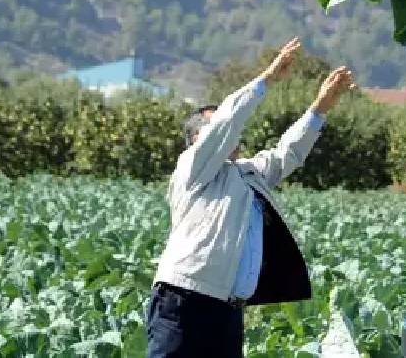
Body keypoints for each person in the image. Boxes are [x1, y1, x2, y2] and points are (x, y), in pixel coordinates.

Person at [145, 38, 356, 357]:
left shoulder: (247, 174)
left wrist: (321, 107)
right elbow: (227, 122)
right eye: (212, 126)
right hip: (184, 300)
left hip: (227, 310)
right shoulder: (192, 169)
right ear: (195, 140)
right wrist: (267, 79)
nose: (226, 132)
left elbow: (289, 153)